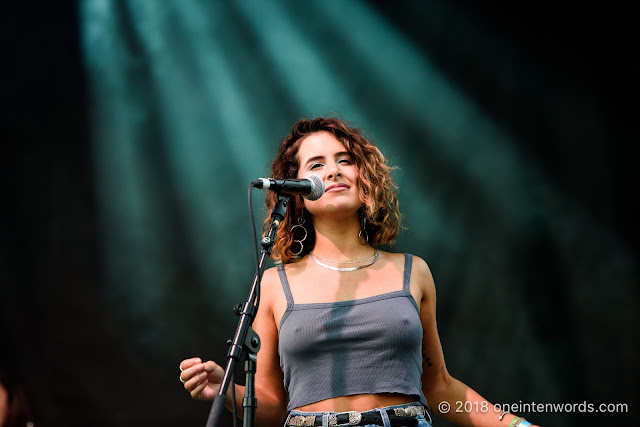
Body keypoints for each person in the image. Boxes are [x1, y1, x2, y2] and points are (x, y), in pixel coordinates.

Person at [180, 117, 539, 427]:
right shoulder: (274, 283)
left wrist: (517, 423)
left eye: (344, 160)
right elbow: (272, 405)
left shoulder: (413, 272)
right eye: (316, 165)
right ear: (297, 192)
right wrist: (224, 390)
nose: (333, 170)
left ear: (364, 177)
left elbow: (439, 386)